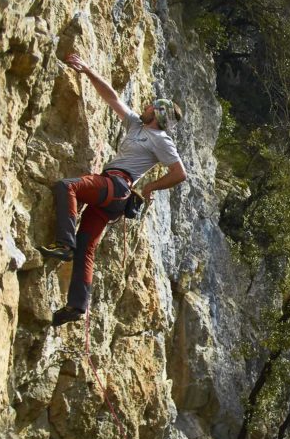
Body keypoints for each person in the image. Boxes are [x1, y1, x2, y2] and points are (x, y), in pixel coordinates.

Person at [37, 53, 188, 327]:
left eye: (150, 106)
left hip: (118, 186)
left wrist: (151, 186)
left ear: (157, 113)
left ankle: (64, 244)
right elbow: (111, 97)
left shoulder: (162, 140)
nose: (144, 106)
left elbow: (179, 173)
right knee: (88, 245)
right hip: (112, 194)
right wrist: (88, 70)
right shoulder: (136, 124)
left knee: (67, 186)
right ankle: (77, 305)